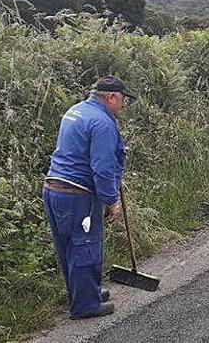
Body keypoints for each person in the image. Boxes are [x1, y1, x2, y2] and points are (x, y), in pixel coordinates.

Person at [43, 76, 135, 319]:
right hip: (77, 196)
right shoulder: (102, 123)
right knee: (86, 247)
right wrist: (111, 200)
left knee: (69, 248)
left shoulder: (76, 111)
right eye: (123, 99)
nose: (124, 105)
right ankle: (86, 306)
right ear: (111, 97)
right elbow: (103, 168)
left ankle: (84, 292)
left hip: (54, 190)